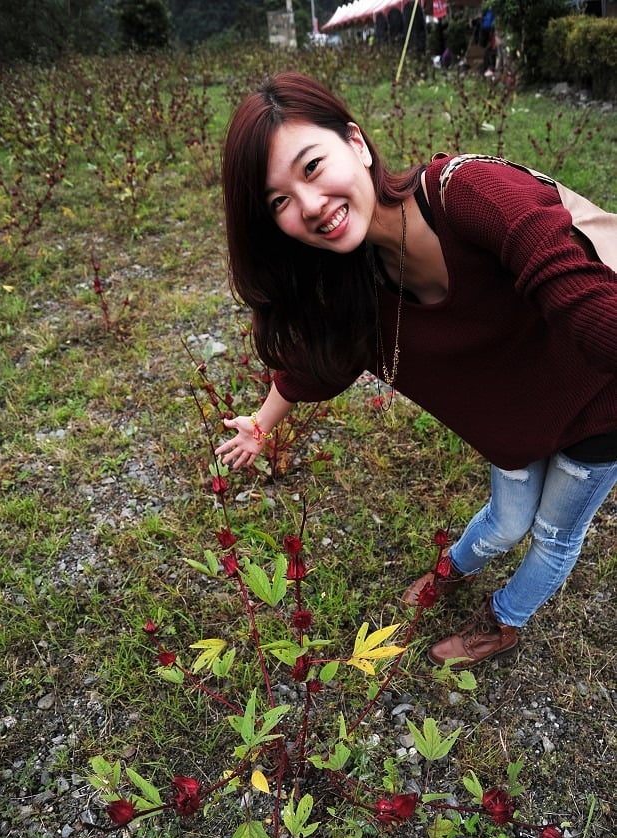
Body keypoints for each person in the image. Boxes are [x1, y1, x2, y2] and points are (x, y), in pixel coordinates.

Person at [215, 72, 617, 670]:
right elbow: (313, 371)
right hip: (510, 428)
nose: (310, 205)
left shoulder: (469, 192)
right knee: (506, 522)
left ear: (356, 143)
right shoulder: (348, 285)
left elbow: (578, 296)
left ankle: (503, 622)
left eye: (311, 166)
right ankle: (453, 566)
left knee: (555, 535)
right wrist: (261, 423)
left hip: (596, 410)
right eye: (279, 202)